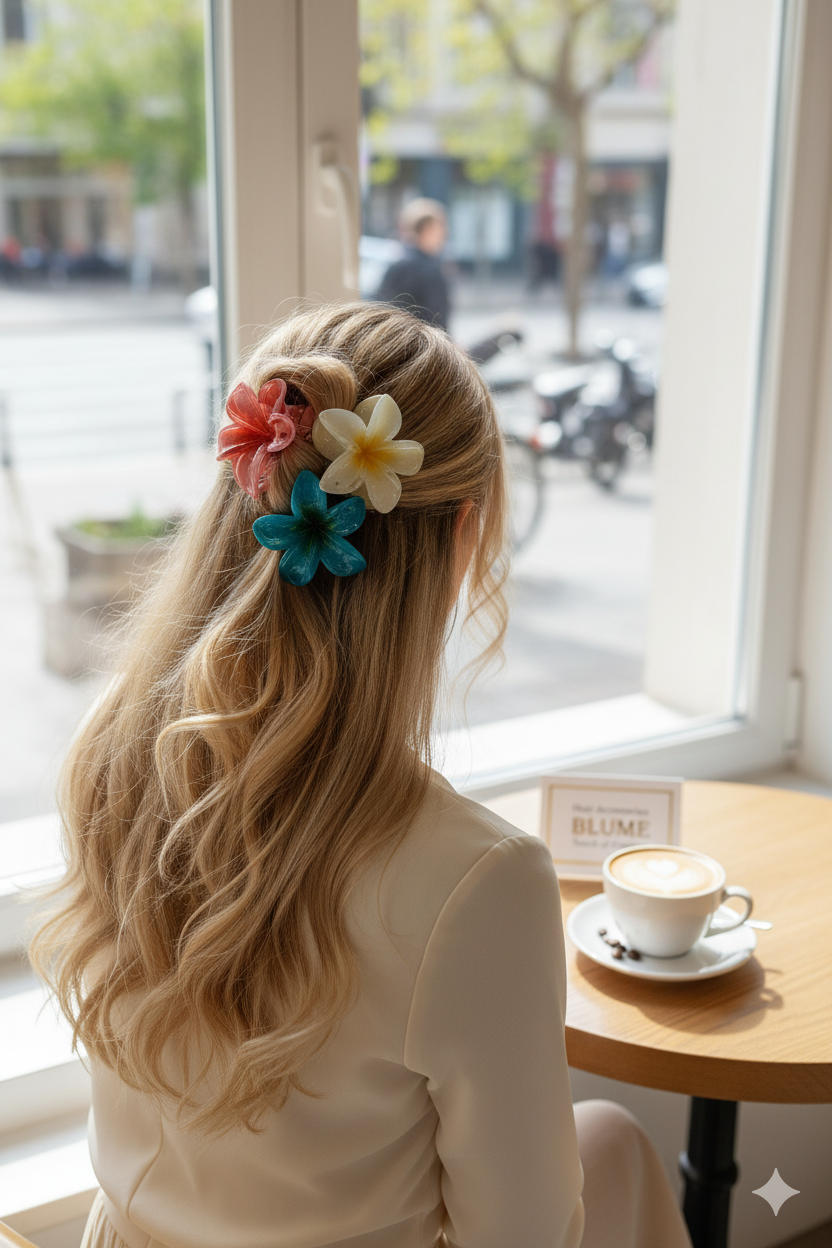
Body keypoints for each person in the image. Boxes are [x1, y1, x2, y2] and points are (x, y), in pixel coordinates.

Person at [31, 303, 691, 1248]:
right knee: (617, 1145)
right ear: (461, 540)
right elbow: (524, 1236)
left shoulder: (110, 754)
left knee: (614, 1142)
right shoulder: (478, 881)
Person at [375, 198, 450, 331]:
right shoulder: (429, 270)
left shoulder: (395, 264)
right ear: (427, 229)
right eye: (440, 229)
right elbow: (438, 322)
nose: (444, 236)